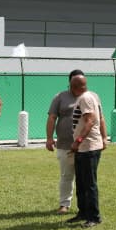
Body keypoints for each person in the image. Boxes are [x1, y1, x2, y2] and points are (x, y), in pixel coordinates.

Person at [67, 74, 108, 228]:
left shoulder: (85, 98)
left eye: (71, 86)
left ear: (75, 87)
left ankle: (94, 217)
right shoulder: (90, 96)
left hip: (88, 147)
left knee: (89, 184)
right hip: (84, 148)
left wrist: (78, 141)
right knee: (81, 182)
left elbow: (90, 121)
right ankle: (83, 212)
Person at [45, 70, 85, 215]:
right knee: (66, 176)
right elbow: (52, 118)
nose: (79, 85)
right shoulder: (60, 97)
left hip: (85, 145)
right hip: (64, 145)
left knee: (84, 178)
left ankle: (85, 207)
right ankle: (64, 204)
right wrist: (49, 138)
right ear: (70, 83)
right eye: (75, 82)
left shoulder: (88, 97)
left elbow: (97, 118)